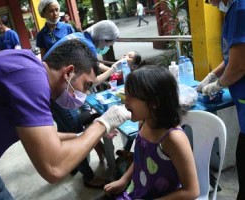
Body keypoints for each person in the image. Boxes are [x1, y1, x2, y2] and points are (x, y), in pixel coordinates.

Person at [0, 39, 131, 199]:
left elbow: (47, 138)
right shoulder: (30, 80)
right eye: (86, 84)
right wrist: (103, 123)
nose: (86, 93)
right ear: (68, 73)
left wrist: (82, 135)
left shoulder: (29, 67)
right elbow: (54, 167)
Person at [45, 20, 121, 189]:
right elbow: (92, 81)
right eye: (109, 43)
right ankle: (88, 176)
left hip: (54, 90)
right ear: (103, 38)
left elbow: (92, 66)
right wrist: (113, 69)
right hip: (57, 94)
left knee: (72, 129)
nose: (108, 47)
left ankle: (85, 158)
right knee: (74, 129)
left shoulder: (80, 38)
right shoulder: (87, 45)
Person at [104, 66, 200, 199]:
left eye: (131, 97)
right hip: (136, 192)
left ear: (154, 102)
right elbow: (140, 159)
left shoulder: (173, 138)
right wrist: (124, 180)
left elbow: (192, 191)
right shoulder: (143, 122)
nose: (125, 101)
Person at [196, 0, 245, 199]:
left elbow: (239, 65)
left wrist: (218, 85)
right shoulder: (235, 9)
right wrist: (212, 76)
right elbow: (232, 57)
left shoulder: (240, 9)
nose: (210, 3)